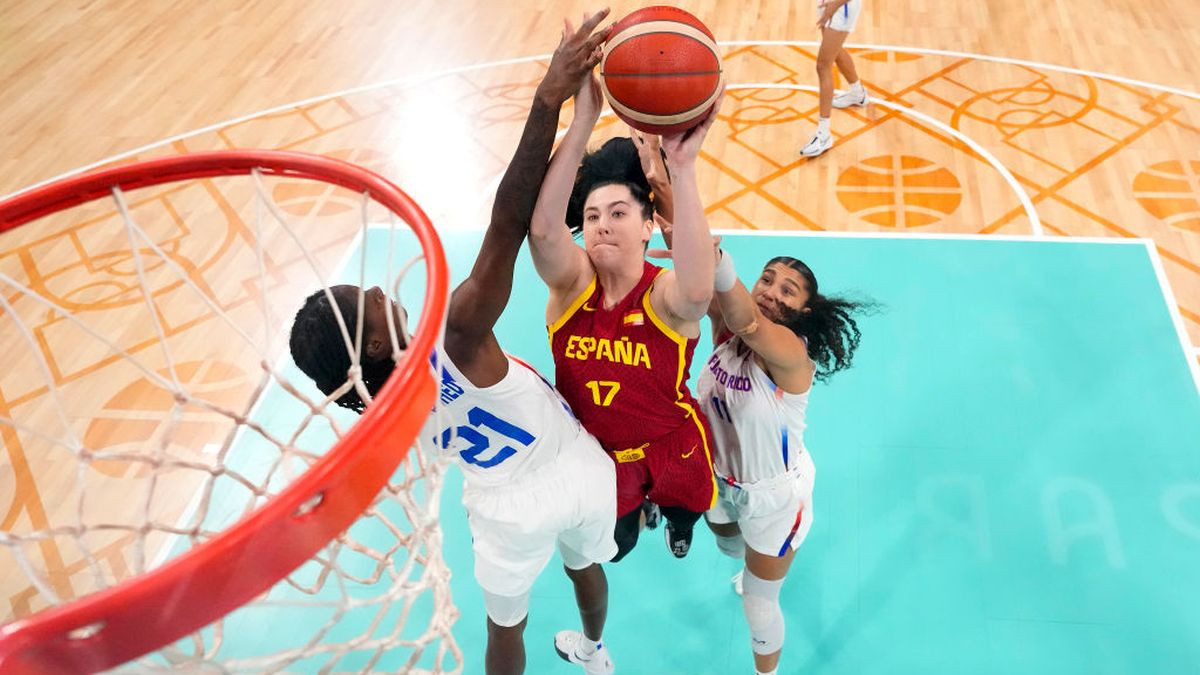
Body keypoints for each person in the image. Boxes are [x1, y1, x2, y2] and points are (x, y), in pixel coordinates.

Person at [289, 12, 618, 675]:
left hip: (502, 506)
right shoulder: (460, 334)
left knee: (505, 631)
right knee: (585, 564)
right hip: (577, 465)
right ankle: (592, 647)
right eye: (368, 300)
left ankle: (576, 646)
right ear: (378, 341)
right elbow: (508, 219)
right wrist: (549, 100)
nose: (380, 291)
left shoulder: (373, 405)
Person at [528, 63, 725, 570]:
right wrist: (582, 121)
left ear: (646, 229)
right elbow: (546, 232)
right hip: (600, 456)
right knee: (616, 548)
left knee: (688, 510)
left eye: (618, 213)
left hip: (671, 442)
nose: (602, 225)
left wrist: (679, 170)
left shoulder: (663, 297)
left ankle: (677, 522)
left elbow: (700, 290)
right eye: (592, 217)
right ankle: (644, 514)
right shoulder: (570, 289)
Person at [699, 249, 869, 675]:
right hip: (718, 477)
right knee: (724, 538)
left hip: (773, 497)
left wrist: (717, 261)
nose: (771, 292)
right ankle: (749, 560)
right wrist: (674, 209)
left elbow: (748, 321)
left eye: (787, 290)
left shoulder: (790, 355)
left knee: (758, 604)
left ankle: (766, 672)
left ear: (803, 310)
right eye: (767, 279)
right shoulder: (726, 330)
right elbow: (697, 272)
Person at [800, 0, 868, 157]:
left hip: (841, 7)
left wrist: (835, 5)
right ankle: (858, 93)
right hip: (829, 4)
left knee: (823, 66)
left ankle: (823, 134)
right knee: (835, 51)